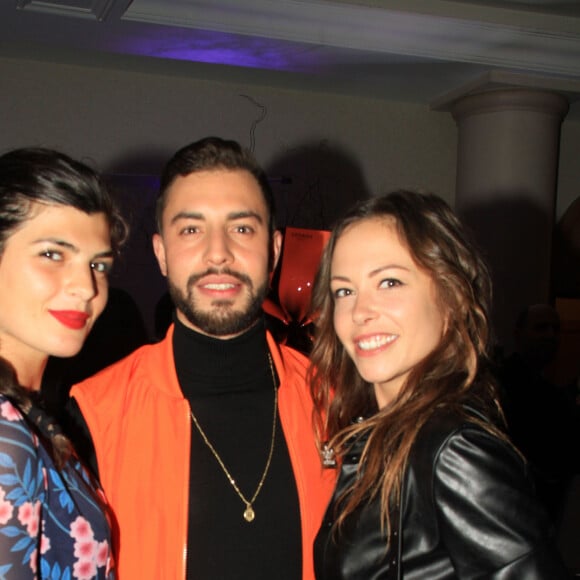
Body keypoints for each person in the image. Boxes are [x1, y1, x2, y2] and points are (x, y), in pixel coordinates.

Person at [71, 137, 336, 580]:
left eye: (242, 228)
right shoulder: (94, 413)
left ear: (273, 250)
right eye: (191, 230)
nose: (218, 253)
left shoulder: (334, 400)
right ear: (161, 253)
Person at [309, 191, 570, 578]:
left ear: (450, 298)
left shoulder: (453, 450)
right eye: (344, 291)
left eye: (390, 282)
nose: (360, 311)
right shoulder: (376, 438)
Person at [0, 147, 127, 578]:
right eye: (53, 254)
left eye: (98, 264)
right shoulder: (4, 437)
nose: (86, 286)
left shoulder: (30, 415)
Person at [497, 303, 579, 523]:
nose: (550, 336)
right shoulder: (499, 385)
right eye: (541, 328)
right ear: (519, 333)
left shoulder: (556, 393)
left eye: (555, 329)